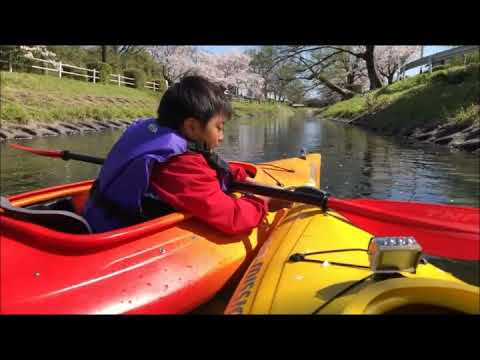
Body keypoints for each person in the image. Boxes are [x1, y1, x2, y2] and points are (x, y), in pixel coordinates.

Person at [84, 75, 291, 234]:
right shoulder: (178, 164)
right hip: (114, 232)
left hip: (99, 212)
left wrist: (240, 177)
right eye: (219, 127)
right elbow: (232, 218)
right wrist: (263, 202)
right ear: (192, 127)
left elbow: (208, 167)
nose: (222, 136)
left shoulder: (160, 137)